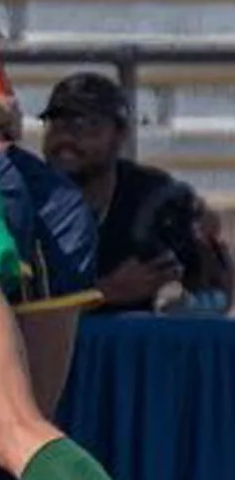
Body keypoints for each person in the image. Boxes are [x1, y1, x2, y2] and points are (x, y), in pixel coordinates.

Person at [39, 73, 231, 314]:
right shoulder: (27, 193)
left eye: (84, 127)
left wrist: (207, 259)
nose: (66, 138)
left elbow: (214, 294)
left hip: (134, 335)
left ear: (119, 134)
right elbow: (14, 305)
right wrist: (106, 292)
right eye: (57, 125)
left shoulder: (153, 197)